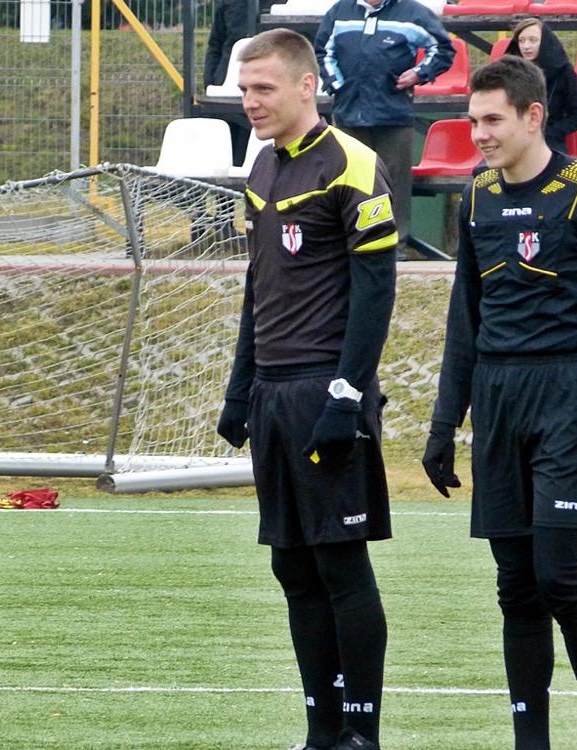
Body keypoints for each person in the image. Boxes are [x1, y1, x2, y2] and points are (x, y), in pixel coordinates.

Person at [422, 56, 577, 750]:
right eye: (472, 120)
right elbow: (465, 318)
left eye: (492, 120)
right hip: (498, 398)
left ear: (533, 116)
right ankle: (529, 741)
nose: (478, 134)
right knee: (515, 587)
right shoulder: (476, 197)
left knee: (559, 579)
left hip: (571, 394)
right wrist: (445, 421)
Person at [218, 28, 398, 750]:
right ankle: (322, 732)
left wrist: (348, 395)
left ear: (305, 85)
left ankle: (363, 735)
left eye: (263, 88)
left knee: (340, 565)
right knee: (292, 566)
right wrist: (240, 389)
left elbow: (376, 292)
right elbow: (257, 287)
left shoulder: (354, 164)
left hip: (327, 391)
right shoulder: (261, 166)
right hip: (273, 395)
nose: (250, 101)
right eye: (244, 89)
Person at [313, 0, 454, 256]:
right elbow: (322, 52)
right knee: (348, 181)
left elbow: (443, 49)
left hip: (394, 115)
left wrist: (419, 73)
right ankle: (349, 241)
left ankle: (394, 245)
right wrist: (337, 84)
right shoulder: (339, 13)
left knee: (393, 183)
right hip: (348, 114)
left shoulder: (413, 13)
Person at [504, 17, 577, 155]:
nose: (526, 46)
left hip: (549, 140)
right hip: (512, 138)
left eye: (533, 40)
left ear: (544, 42)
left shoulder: (564, 72)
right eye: (521, 40)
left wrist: (551, 132)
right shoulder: (507, 71)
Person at [203, 0, 254, 166]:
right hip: (226, 88)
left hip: (268, 93)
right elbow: (215, 43)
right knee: (225, 159)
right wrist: (211, 81)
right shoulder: (229, 3)